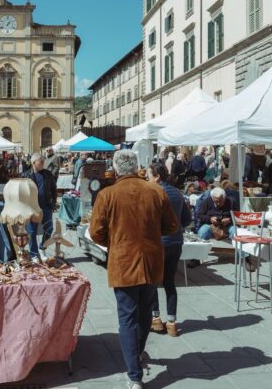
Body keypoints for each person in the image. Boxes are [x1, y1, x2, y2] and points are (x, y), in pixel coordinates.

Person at [90, 150, 178, 389]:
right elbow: (172, 226)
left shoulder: (107, 194)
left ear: (117, 170)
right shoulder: (156, 191)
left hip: (123, 260)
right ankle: (136, 355)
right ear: (136, 166)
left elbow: (95, 232)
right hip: (151, 260)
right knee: (144, 312)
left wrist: (115, 240)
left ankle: (134, 374)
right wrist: (149, 234)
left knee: (128, 317)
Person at [148, 163, 191, 337]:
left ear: (157, 176)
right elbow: (187, 219)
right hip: (175, 243)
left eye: (149, 176)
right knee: (169, 282)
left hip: (158, 243)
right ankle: (172, 323)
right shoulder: (177, 193)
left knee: (152, 282)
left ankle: (156, 319)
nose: (147, 179)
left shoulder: (153, 193)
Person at [21, 153, 56, 260]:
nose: (43, 163)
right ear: (33, 163)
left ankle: (42, 248)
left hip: (46, 206)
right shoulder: (25, 175)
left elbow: (54, 189)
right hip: (32, 208)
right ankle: (34, 254)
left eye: (43, 161)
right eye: (41, 161)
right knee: (32, 232)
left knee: (49, 229)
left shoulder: (48, 174)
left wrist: (53, 203)